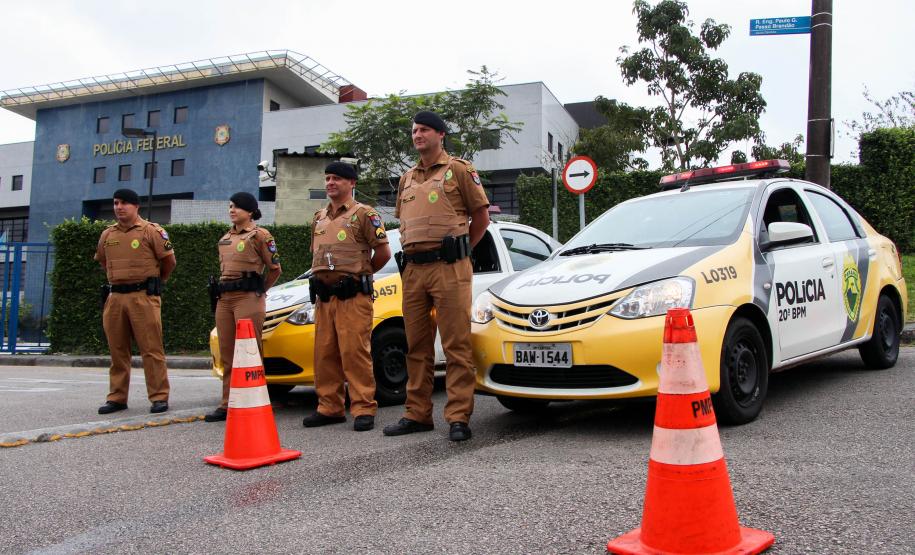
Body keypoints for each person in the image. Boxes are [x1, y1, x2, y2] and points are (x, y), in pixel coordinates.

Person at [382, 111, 490, 442]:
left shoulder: (459, 169)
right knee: (416, 345)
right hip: (413, 270)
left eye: (425, 129)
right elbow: (403, 221)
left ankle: (458, 417)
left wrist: (460, 250)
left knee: (455, 344)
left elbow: (481, 217)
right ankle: (417, 414)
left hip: (449, 268)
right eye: (414, 130)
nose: (418, 135)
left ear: (440, 134)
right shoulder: (406, 178)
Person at [303, 161, 391, 432]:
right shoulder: (319, 217)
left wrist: (360, 276)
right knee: (325, 354)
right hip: (325, 298)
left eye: (337, 179)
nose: (330, 182)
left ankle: (363, 408)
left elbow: (383, 253)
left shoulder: (364, 214)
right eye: (328, 178)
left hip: (353, 297)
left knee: (355, 353)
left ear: (352, 183)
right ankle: (329, 407)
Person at [94, 188, 176, 415]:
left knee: (151, 349)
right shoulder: (107, 235)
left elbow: (169, 261)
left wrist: (156, 283)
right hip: (115, 297)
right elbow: (102, 261)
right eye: (116, 203)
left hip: (144, 297)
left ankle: (159, 397)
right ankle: (117, 397)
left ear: (136, 206)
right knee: (117, 350)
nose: (119, 207)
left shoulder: (151, 231)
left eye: (124, 203)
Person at [205, 192, 282, 422]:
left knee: (250, 352)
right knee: (227, 353)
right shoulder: (224, 238)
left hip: (248, 297)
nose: (232, 210)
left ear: (250, 211)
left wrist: (261, 290)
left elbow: (275, 269)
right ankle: (227, 403)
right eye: (230, 206)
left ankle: (256, 401)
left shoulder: (260, 235)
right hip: (225, 298)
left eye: (237, 207)